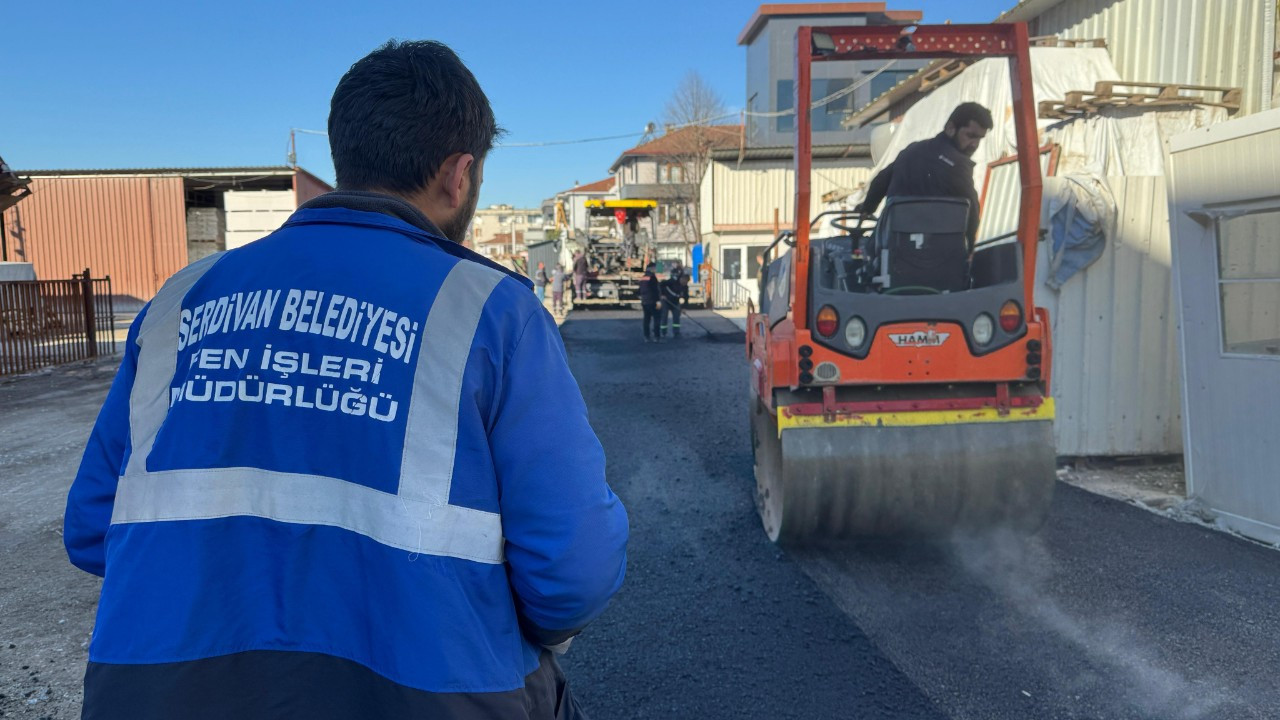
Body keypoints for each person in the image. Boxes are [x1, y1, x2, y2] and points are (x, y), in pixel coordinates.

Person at [63, 39, 628, 720]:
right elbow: (573, 572)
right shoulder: (492, 312)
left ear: (346, 158)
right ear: (459, 174)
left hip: (154, 693)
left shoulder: (179, 302)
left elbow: (94, 529)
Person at [856, 102, 993, 249]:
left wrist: (867, 208)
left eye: (979, 138)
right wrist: (970, 246)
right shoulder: (959, 165)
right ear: (951, 128)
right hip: (935, 255)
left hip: (891, 249)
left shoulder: (913, 150)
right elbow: (971, 208)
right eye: (971, 136)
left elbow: (881, 180)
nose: (974, 144)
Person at [660, 266, 688, 338]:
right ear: (681, 279)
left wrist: (684, 308)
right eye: (684, 281)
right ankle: (663, 333)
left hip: (675, 302)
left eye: (686, 282)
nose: (684, 283)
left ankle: (676, 333)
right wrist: (662, 294)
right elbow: (661, 284)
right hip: (666, 301)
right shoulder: (672, 282)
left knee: (676, 317)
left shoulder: (685, 287)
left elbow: (686, 297)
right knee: (664, 317)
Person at [637, 262, 661, 342]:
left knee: (646, 319)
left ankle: (646, 337)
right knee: (657, 319)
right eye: (654, 268)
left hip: (645, 301)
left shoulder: (643, 277)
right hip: (653, 301)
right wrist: (658, 301)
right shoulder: (652, 277)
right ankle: (656, 337)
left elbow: (639, 289)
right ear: (651, 268)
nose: (655, 270)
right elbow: (655, 290)